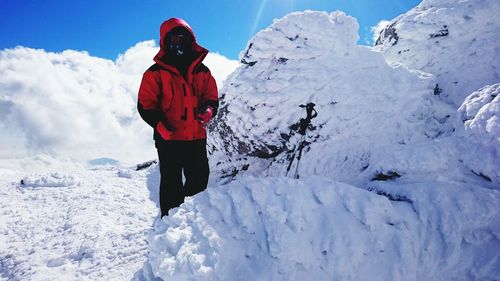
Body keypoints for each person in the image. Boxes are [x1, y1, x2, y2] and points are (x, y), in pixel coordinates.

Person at [137, 18, 218, 218]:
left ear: (191, 40)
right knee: (171, 184)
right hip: (168, 138)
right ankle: (170, 226)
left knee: (199, 181)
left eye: (182, 37)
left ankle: (192, 221)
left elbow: (211, 98)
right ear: (165, 42)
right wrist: (158, 125)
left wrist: (208, 110)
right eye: (173, 38)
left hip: (196, 136)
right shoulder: (154, 73)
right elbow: (145, 105)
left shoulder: (203, 71)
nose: (178, 42)